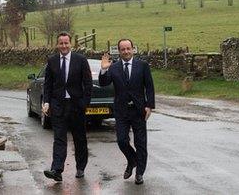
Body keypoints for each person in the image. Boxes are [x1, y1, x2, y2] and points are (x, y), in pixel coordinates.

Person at [98, 39, 155, 185]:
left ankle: (139, 173)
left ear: (133, 49)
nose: (126, 51)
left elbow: (149, 86)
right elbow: (104, 83)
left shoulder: (142, 66)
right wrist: (104, 69)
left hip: (139, 110)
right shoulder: (114, 67)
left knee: (140, 143)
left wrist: (149, 105)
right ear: (119, 51)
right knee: (122, 140)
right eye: (122, 49)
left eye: (128, 48)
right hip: (121, 110)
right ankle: (132, 160)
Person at [42, 32, 93, 181]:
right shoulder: (51, 61)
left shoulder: (81, 60)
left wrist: (85, 103)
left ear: (71, 44)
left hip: (77, 106)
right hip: (58, 106)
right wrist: (46, 102)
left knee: (80, 138)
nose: (64, 46)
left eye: (66, 43)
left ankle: (80, 167)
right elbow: (48, 84)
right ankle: (57, 170)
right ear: (57, 44)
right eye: (61, 43)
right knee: (59, 138)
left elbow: (88, 83)